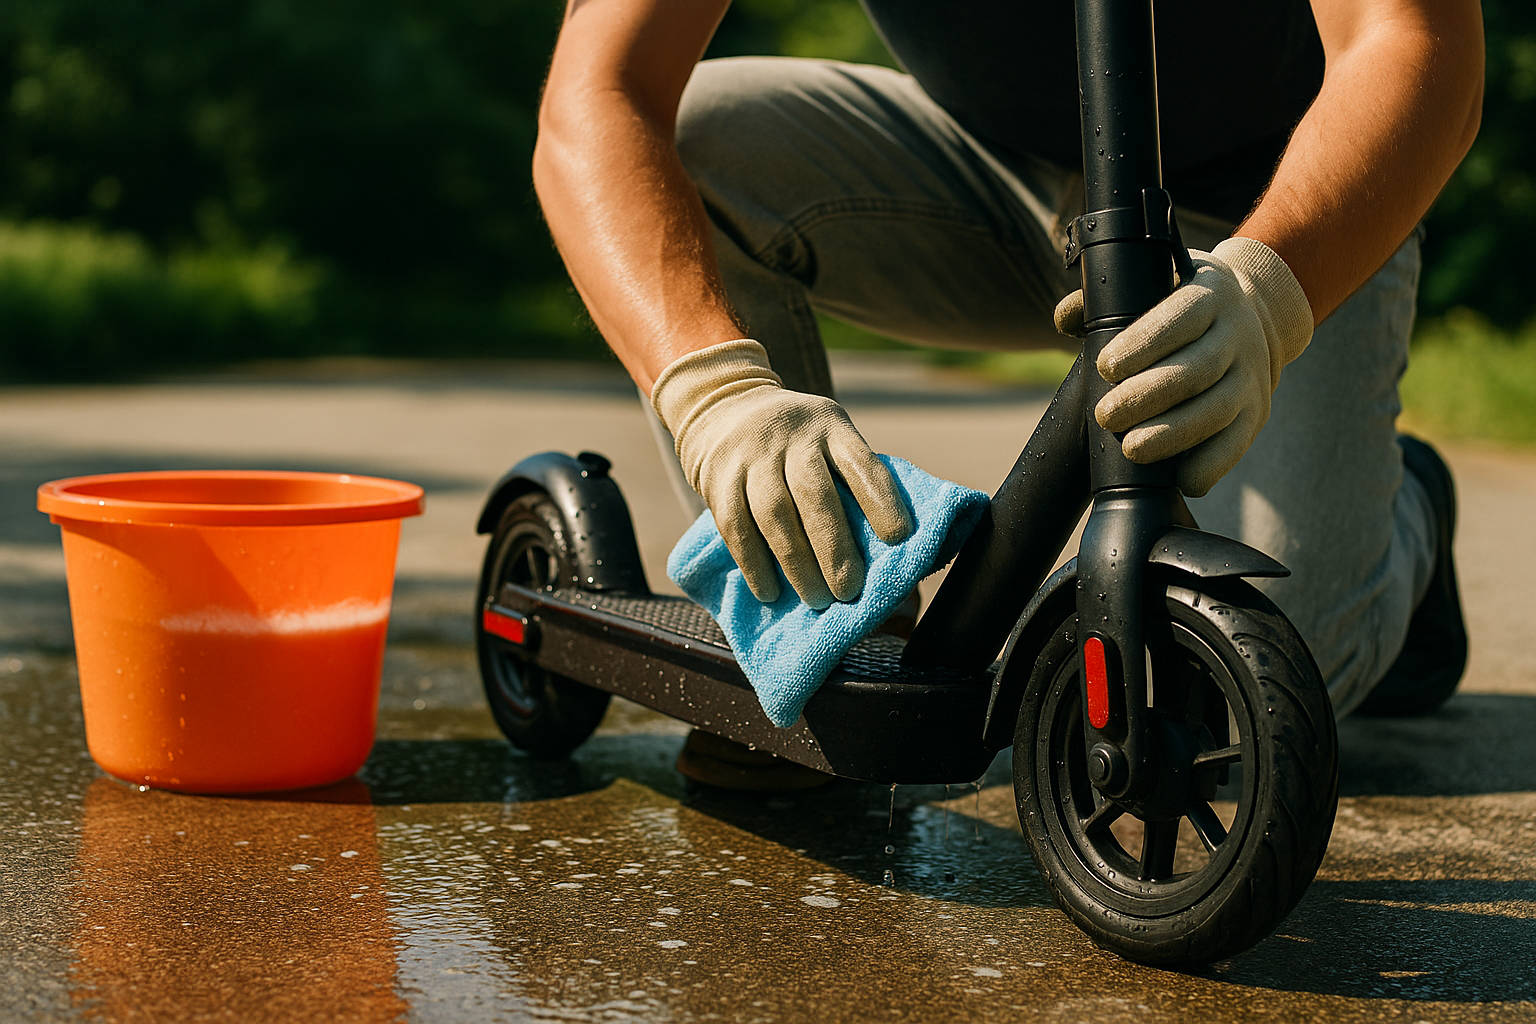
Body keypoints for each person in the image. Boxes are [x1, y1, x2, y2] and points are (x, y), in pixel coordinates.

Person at [531, 0, 1483, 782]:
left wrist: (1270, 296)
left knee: (1270, 670)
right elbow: (599, 93)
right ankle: (822, 615)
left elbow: (1417, 44)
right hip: (977, 169)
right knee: (699, 136)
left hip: (1272, 214)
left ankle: (1408, 515)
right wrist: (716, 391)